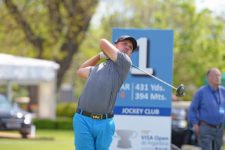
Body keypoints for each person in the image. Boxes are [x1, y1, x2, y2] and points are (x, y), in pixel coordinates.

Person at [73, 35, 137, 150]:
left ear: (130, 53)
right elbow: (80, 71)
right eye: (124, 43)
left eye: (130, 47)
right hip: (82, 119)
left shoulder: (125, 62)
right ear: (116, 45)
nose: (127, 47)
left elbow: (102, 42)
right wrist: (99, 56)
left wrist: (107, 51)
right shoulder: (98, 67)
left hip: (104, 122)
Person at [188, 68, 225, 150]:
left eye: (219, 75)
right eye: (215, 75)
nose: (218, 77)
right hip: (206, 128)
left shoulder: (223, 91)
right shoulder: (201, 92)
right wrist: (195, 124)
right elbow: (192, 109)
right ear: (209, 78)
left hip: (219, 129)